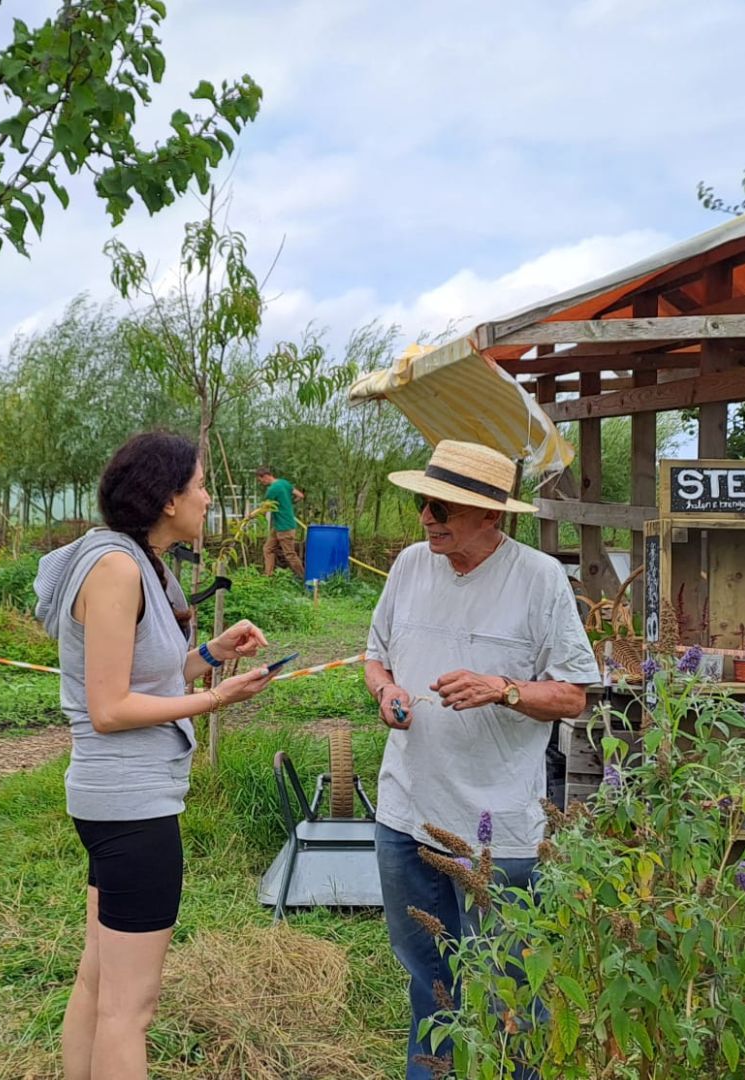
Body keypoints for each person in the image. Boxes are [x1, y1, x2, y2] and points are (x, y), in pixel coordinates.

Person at [34, 432, 278, 1080]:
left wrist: (212, 655)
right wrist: (215, 699)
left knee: (98, 982)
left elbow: (146, 675)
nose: (207, 498)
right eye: (200, 486)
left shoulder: (133, 560)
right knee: (129, 1010)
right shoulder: (117, 569)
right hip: (131, 807)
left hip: (114, 801)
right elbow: (110, 707)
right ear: (169, 499)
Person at [364, 439, 601, 1079]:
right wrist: (386, 692)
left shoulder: (538, 579)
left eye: (442, 508)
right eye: (423, 502)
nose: (426, 518)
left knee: (510, 992)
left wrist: (504, 689)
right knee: (429, 981)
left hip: (500, 831)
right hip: (405, 813)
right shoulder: (410, 565)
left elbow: (573, 695)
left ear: (491, 514)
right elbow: (376, 656)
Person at [256, 466, 306, 579]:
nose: (261, 483)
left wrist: (252, 516)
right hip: (280, 525)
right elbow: (300, 496)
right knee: (268, 549)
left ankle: (304, 578)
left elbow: (264, 509)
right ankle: (268, 576)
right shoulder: (284, 483)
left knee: (290, 555)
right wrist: (289, 503)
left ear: (265, 476)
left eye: (261, 480)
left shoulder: (272, 490)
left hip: (285, 527)